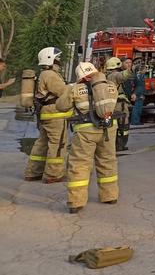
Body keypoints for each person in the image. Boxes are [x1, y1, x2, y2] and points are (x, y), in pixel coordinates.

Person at [56, 61, 119, 214]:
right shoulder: (110, 86)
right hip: (108, 129)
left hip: (86, 131)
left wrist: (71, 89)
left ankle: (76, 202)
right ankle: (110, 196)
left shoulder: (76, 88)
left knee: (80, 164)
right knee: (107, 161)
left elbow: (61, 106)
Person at [23, 47, 69, 183]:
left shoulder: (44, 73)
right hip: (54, 114)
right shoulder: (50, 75)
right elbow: (63, 92)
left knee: (42, 144)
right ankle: (53, 174)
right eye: (57, 58)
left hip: (46, 114)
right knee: (58, 144)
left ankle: (33, 172)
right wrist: (75, 88)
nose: (59, 60)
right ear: (50, 59)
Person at [104, 57, 131, 152]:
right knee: (123, 124)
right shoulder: (115, 75)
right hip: (119, 104)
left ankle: (109, 144)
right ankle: (120, 145)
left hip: (109, 104)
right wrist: (131, 69)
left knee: (109, 123)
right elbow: (124, 75)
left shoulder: (106, 76)